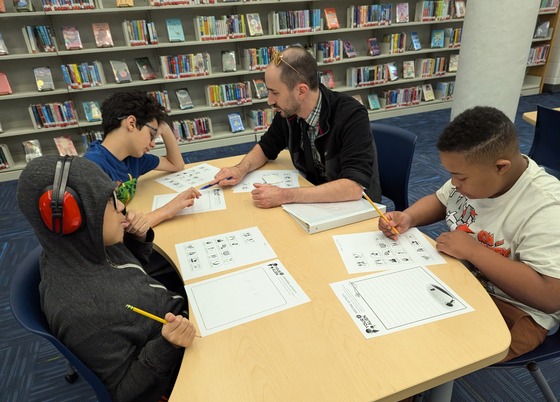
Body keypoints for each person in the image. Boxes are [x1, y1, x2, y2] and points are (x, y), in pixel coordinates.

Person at [16, 155, 197, 402]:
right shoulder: (84, 311)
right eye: (110, 201)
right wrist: (167, 345)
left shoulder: (81, 246)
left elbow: (126, 274)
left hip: (172, 321)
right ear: (71, 218)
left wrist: (137, 239)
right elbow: (126, 394)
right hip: (170, 365)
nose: (122, 205)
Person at [379, 106, 560, 362]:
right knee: (387, 312)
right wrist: (408, 217)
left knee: (412, 350)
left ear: (501, 167)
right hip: (460, 278)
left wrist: (474, 251)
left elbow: (550, 296)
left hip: (515, 312)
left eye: (460, 177)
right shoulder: (476, 181)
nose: (454, 184)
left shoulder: (547, 208)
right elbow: (441, 200)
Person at [210, 45, 381, 209]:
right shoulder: (289, 112)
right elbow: (266, 147)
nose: (269, 101)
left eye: (275, 92)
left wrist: (286, 195)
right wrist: (240, 169)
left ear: (301, 91)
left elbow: (353, 187)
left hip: (353, 207)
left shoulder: (351, 115)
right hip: (314, 200)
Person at [84, 90, 199, 227]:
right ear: (132, 123)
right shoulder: (91, 168)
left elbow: (176, 164)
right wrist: (167, 211)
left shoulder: (133, 158)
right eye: (151, 134)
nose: (153, 143)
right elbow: (111, 231)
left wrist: (165, 129)